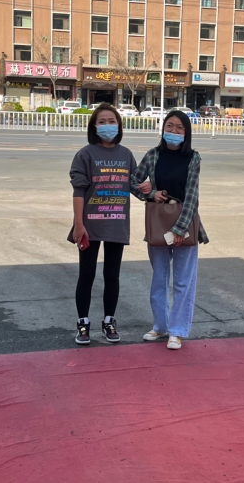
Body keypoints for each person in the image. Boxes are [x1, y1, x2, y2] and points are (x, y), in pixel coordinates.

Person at [131, 110, 209, 350]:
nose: (173, 131)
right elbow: (132, 181)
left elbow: (192, 196)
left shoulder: (193, 158)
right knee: (159, 278)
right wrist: (150, 193)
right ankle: (160, 326)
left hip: (185, 223)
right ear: (163, 128)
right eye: (169, 126)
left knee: (183, 281)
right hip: (158, 223)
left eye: (179, 128)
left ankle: (177, 331)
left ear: (186, 132)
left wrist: (179, 229)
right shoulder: (153, 155)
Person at [69, 103, 143, 345]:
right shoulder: (85, 154)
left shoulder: (126, 155)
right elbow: (79, 191)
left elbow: (135, 187)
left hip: (116, 224)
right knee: (86, 275)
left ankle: (109, 321)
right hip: (90, 225)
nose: (107, 125)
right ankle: (83, 323)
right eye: (102, 121)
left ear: (119, 125)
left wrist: (151, 190)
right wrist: (78, 224)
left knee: (112, 275)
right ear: (94, 126)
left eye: (112, 121)